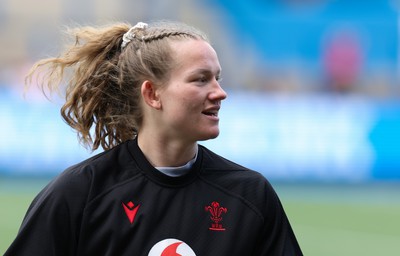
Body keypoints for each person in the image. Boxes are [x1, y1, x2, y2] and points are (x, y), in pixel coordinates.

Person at [5, 21, 303, 255]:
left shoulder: (250, 195)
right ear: (152, 94)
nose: (219, 92)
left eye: (217, 78)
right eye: (200, 79)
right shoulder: (79, 194)